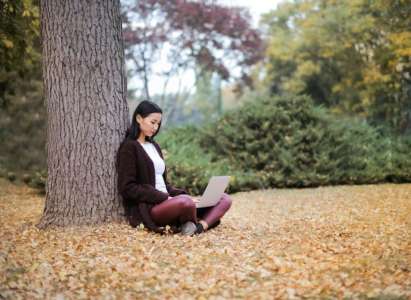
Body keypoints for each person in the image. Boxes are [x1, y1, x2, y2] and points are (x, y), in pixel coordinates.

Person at [117, 100, 232, 235]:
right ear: (138, 118)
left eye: (158, 124)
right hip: (152, 206)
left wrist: (184, 195)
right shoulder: (129, 147)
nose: (155, 127)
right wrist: (165, 198)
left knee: (224, 198)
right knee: (186, 203)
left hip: (171, 201)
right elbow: (128, 187)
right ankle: (192, 221)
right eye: (152, 122)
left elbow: (165, 184)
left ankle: (199, 227)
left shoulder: (154, 146)